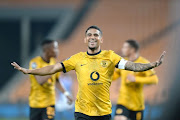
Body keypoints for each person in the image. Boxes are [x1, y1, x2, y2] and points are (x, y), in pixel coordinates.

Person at [11, 26, 165, 120]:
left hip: (104, 112)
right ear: (85, 39)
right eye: (89, 35)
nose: (92, 37)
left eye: (96, 35)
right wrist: (29, 70)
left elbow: (131, 65)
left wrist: (152, 64)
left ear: (101, 39)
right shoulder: (77, 58)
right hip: (82, 112)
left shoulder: (110, 56)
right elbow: (52, 69)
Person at [26, 40, 73, 120]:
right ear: (47, 50)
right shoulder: (35, 63)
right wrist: (53, 69)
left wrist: (66, 94)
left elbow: (57, 81)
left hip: (50, 103)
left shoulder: (54, 62)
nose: (57, 50)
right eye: (55, 48)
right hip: (36, 103)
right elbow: (40, 81)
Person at [113, 40, 159, 120]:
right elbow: (114, 76)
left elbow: (154, 80)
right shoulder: (123, 62)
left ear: (132, 49)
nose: (122, 49)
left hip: (137, 105)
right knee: (119, 118)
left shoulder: (144, 63)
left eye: (125, 47)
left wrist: (136, 79)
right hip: (123, 101)